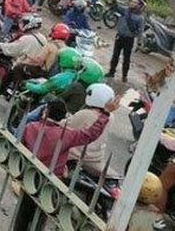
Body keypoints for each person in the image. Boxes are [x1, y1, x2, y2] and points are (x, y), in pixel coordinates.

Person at [12, 99, 113, 231]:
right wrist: (105, 114)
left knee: (23, 214)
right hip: (51, 181)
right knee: (41, 214)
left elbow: (20, 149)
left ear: (46, 112)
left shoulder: (31, 127)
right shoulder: (66, 135)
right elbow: (90, 134)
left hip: (30, 175)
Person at [66, 83, 117, 174]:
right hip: (96, 157)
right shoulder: (111, 116)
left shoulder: (86, 113)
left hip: (75, 155)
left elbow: (65, 126)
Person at [7, 20, 66, 88]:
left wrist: (29, 57)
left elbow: (39, 61)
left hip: (42, 72)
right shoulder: (65, 48)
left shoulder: (50, 45)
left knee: (18, 67)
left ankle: (17, 87)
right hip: (54, 75)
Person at [0, 15, 47, 87]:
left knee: (9, 73)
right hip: (38, 66)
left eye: (25, 23)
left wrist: (2, 46)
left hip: (26, 64)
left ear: (30, 24)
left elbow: (14, 49)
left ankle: (0, 91)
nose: (22, 24)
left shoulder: (27, 38)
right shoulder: (43, 38)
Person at [107, 0, 146, 82]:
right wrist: (113, 1)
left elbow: (140, 31)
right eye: (132, 1)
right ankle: (111, 72)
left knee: (126, 59)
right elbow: (116, 6)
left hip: (129, 40)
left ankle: (124, 76)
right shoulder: (125, 10)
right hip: (119, 37)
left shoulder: (140, 18)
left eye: (135, 2)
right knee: (115, 55)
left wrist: (139, 43)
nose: (132, 3)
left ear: (139, 6)